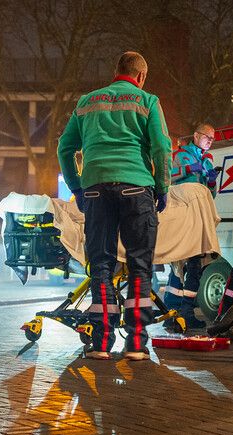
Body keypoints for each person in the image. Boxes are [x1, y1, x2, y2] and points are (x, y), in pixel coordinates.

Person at [58, 51, 172, 361]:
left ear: (116, 71)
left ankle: (101, 343)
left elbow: (65, 148)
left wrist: (77, 187)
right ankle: (135, 344)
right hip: (137, 187)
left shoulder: (86, 102)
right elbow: (162, 148)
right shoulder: (147, 101)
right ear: (141, 77)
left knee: (102, 265)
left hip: (95, 189)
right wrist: (162, 187)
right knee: (139, 266)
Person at [163, 124, 219, 331]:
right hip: (181, 217)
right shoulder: (180, 155)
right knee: (179, 265)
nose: (210, 142)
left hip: (197, 218)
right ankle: (174, 313)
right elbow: (166, 177)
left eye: (213, 139)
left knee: (193, 267)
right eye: (207, 137)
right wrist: (188, 169)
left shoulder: (207, 160)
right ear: (196, 136)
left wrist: (212, 182)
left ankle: (184, 313)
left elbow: (211, 195)